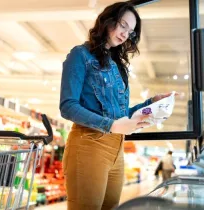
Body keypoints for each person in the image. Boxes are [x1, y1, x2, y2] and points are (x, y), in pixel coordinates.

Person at [59, 2, 172, 210]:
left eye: (130, 31)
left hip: (116, 151)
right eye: (122, 25)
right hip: (88, 145)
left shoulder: (117, 66)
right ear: (108, 20)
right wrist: (111, 125)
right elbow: (67, 106)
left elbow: (119, 115)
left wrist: (151, 103)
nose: (125, 34)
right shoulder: (80, 55)